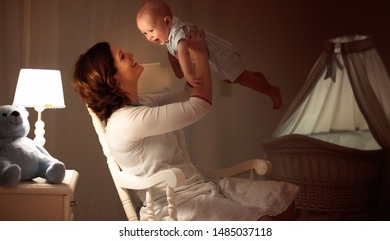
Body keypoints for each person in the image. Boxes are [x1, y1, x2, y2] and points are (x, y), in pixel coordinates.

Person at [73, 27, 298, 220]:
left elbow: (188, 92)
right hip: (177, 206)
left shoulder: (143, 103)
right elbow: (200, 105)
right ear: (114, 80)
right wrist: (200, 54)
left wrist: (183, 50)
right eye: (122, 56)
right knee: (264, 223)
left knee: (286, 201)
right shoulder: (125, 122)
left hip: (200, 186)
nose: (130, 54)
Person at [136, 0, 283, 109]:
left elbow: (183, 53)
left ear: (167, 22)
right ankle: (257, 76)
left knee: (241, 78)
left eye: (151, 30)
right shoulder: (170, 36)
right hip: (216, 58)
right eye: (144, 33)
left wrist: (189, 76)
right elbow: (173, 53)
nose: (149, 37)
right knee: (231, 79)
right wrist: (177, 70)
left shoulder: (180, 32)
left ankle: (273, 91)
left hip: (223, 54)